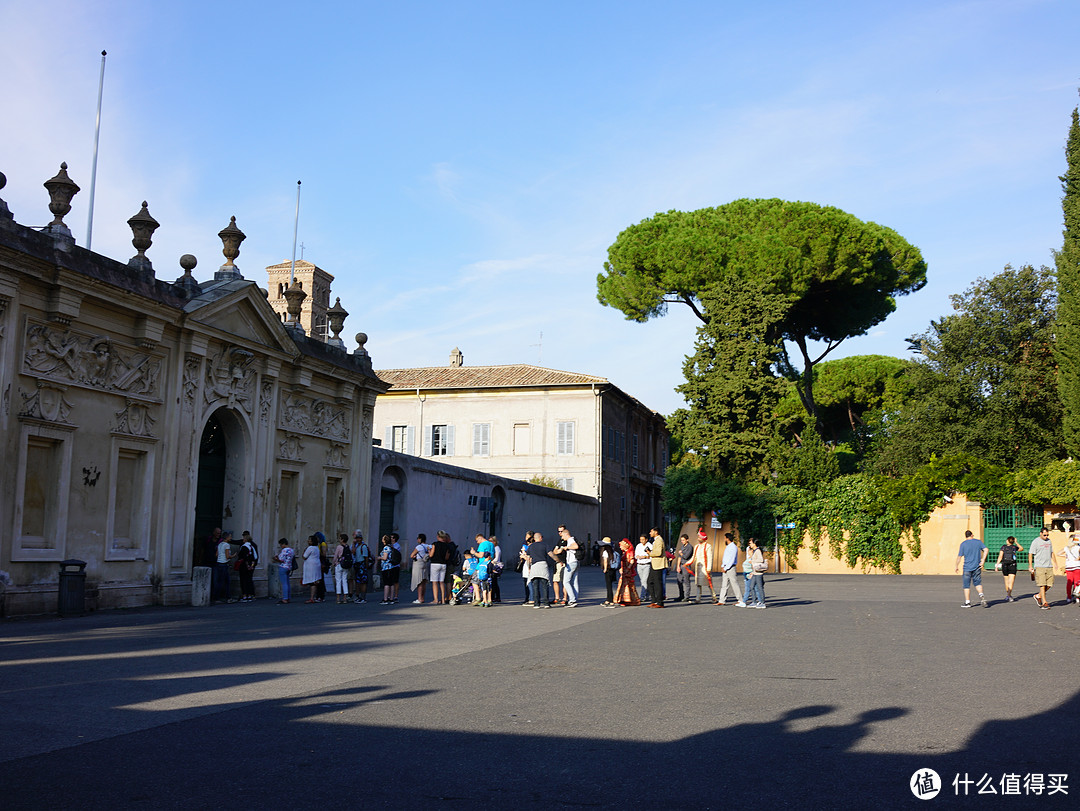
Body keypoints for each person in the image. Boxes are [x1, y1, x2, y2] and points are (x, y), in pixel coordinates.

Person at [955, 530, 988, 608]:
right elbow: (986, 549)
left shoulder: (963, 544)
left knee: (966, 585)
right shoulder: (978, 542)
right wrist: (983, 560)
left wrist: (956, 565)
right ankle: (981, 596)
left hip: (967, 567)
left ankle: (967, 602)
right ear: (972, 535)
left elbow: (959, 557)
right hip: (977, 566)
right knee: (978, 583)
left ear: (965, 536)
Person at [1029, 526, 1057, 609]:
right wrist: (1030, 566)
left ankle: (1038, 596)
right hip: (1040, 566)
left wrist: (1055, 563)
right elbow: (1030, 553)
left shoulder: (1049, 541)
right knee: (1042, 585)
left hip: (1049, 565)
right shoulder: (1035, 542)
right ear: (1040, 533)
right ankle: (1044, 602)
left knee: (1050, 584)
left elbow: (1052, 552)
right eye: (1044, 535)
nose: (1046, 537)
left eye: (1047, 535)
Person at [716, 532, 745, 607]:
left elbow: (731, 559)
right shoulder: (728, 547)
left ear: (727, 538)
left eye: (725, 538)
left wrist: (726, 568)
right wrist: (723, 566)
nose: (724, 539)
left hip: (730, 568)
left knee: (734, 583)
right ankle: (722, 600)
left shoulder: (733, 547)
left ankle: (740, 600)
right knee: (724, 585)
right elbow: (725, 558)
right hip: (725, 567)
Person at [525, 531, 552, 608]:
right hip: (543, 565)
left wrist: (529, 567)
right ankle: (546, 603)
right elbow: (550, 554)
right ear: (540, 538)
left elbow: (528, 558)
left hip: (534, 566)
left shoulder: (531, 546)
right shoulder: (545, 545)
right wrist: (557, 560)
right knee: (544, 585)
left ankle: (536, 604)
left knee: (535, 586)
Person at [556, 526, 581, 606]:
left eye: (563, 536)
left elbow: (576, 546)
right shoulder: (571, 539)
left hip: (571, 563)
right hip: (576, 562)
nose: (562, 537)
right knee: (574, 582)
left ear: (566, 534)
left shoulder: (570, 540)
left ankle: (572, 600)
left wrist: (566, 547)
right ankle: (575, 598)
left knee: (566, 581)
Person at [687, 533, 715, 604]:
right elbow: (694, 557)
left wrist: (709, 568)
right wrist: (687, 563)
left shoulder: (708, 546)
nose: (698, 538)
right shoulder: (697, 546)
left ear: (703, 538)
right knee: (698, 583)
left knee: (709, 583)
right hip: (698, 568)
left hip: (705, 568)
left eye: (699, 537)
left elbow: (709, 557)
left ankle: (714, 597)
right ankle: (698, 598)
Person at [429, 530, 454, 605]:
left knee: (434, 582)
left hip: (435, 564)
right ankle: (443, 599)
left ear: (438, 536)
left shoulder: (435, 544)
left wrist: (429, 550)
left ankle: (436, 599)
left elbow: (431, 555)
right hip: (443, 564)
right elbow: (446, 557)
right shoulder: (447, 545)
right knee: (441, 582)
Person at [615, 538, 640, 606]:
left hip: (627, 571)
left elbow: (631, 561)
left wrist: (628, 568)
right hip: (624, 570)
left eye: (621, 545)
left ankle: (627, 600)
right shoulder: (624, 552)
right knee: (623, 584)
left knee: (627, 585)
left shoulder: (630, 552)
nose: (620, 547)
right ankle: (623, 599)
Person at [998, 535, 1023, 602]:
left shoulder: (1003, 547)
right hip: (1012, 565)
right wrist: (1016, 542)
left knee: (1006, 581)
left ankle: (1008, 595)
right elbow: (1021, 548)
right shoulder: (1014, 547)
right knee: (1011, 582)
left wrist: (997, 565)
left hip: (1004, 564)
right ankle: (1009, 595)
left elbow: (1000, 556)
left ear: (1008, 541)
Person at [235, 531, 258, 602]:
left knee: (243, 580)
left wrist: (247, 565)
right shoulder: (252, 546)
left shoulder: (244, 547)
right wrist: (252, 565)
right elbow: (255, 557)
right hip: (251, 566)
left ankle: (245, 595)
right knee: (249, 580)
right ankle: (250, 595)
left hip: (244, 566)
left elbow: (244, 557)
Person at [1057, 534, 1080, 605]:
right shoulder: (1077, 547)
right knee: (1077, 582)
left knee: (1069, 582)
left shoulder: (1066, 548)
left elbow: (1058, 553)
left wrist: (1066, 556)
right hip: (1077, 566)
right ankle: (1077, 597)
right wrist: (1078, 558)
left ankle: (1069, 597)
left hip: (1069, 566)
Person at [647, 526, 666, 607]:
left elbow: (658, 553)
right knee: (650, 582)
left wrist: (649, 553)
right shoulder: (656, 540)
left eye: (651, 531)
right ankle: (654, 600)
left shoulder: (659, 540)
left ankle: (660, 602)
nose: (650, 533)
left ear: (656, 532)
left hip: (658, 564)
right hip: (654, 564)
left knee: (657, 583)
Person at [380, 535, 402, 604]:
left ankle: (385, 599)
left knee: (386, 583)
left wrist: (379, 557)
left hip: (386, 567)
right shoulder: (391, 547)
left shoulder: (386, 548)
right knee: (391, 583)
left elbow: (385, 558)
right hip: (392, 566)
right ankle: (391, 598)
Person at [745, 537, 766, 608]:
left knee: (760, 587)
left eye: (750, 543)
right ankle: (754, 602)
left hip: (758, 573)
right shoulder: (754, 551)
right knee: (751, 586)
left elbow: (761, 560)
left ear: (754, 543)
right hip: (754, 572)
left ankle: (762, 603)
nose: (749, 544)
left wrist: (752, 561)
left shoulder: (758, 551)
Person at [214, 530, 234, 603]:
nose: (231, 538)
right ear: (227, 537)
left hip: (218, 563)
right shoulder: (227, 545)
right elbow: (227, 556)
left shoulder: (219, 544)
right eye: (230, 537)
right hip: (224, 564)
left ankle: (217, 597)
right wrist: (233, 556)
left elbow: (216, 555)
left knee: (219, 581)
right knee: (226, 582)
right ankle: (228, 597)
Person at [351, 530, 371, 603]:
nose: (358, 540)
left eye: (359, 538)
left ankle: (363, 597)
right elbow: (353, 552)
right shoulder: (357, 547)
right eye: (357, 538)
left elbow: (366, 557)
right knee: (358, 582)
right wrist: (353, 544)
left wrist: (366, 566)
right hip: (357, 564)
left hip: (362, 564)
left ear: (361, 539)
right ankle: (359, 596)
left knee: (363, 582)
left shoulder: (363, 546)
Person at [410, 533, 431, 604]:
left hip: (418, 564)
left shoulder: (419, 547)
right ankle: (423, 597)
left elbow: (412, 555)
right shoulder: (428, 546)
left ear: (420, 539)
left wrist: (414, 556)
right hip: (425, 563)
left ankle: (419, 598)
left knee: (419, 581)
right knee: (424, 581)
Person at [272, 538, 294, 604]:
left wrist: (276, 559)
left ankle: (284, 598)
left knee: (284, 583)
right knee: (287, 583)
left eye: (281, 545)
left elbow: (281, 560)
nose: (281, 546)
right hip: (289, 567)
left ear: (283, 544)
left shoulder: (284, 550)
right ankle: (288, 598)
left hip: (283, 567)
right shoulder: (291, 550)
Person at [673, 534, 693, 602]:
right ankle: (681, 595)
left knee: (686, 581)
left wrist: (681, 553)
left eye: (683, 540)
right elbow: (679, 557)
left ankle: (687, 596)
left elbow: (686, 556)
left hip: (686, 566)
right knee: (679, 581)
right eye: (681, 540)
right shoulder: (682, 546)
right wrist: (678, 566)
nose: (682, 541)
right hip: (681, 565)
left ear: (687, 540)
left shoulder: (689, 547)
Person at [302, 535, 322, 603]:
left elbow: (304, 556)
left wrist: (304, 551)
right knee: (315, 581)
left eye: (309, 540)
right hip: (316, 564)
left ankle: (312, 598)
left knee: (312, 582)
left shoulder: (310, 548)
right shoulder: (316, 548)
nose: (308, 541)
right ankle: (315, 597)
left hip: (311, 566)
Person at [332, 533, 351, 604]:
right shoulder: (347, 546)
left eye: (340, 538)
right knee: (344, 581)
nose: (339, 540)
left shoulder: (339, 547)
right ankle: (345, 598)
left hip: (339, 565)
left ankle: (338, 598)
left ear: (342, 539)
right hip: (345, 565)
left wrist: (334, 563)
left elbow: (335, 556)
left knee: (338, 581)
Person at [600, 537, 618, 606]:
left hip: (608, 569)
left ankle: (610, 600)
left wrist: (605, 569)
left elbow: (605, 561)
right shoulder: (612, 550)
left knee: (608, 586)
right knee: (610, 585)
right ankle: (609, 599)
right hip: (612, 569)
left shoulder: (605, 551)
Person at [635, 535, 652, 602]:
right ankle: (647, 595)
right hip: (639, 564)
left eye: (643, 539)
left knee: (644, 580)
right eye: (640, 539)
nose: (641, 541)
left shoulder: (650, 545)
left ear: (646, 539)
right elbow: (636, 555)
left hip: (646, 564)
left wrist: (645, 557)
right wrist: (638, 556)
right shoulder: (638, 546)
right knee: (642, 580)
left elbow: (651, 555)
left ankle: (642, 596)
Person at [518, 531, 533, 603]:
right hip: (525, 565)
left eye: (527, 537)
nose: (526, 539)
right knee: (525, 582)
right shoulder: (524, 544)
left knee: (530, 582)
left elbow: (529, 557)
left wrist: (524, 556)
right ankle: (527, 597)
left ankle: (531, 598)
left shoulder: (532, 545)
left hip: (530, 565)